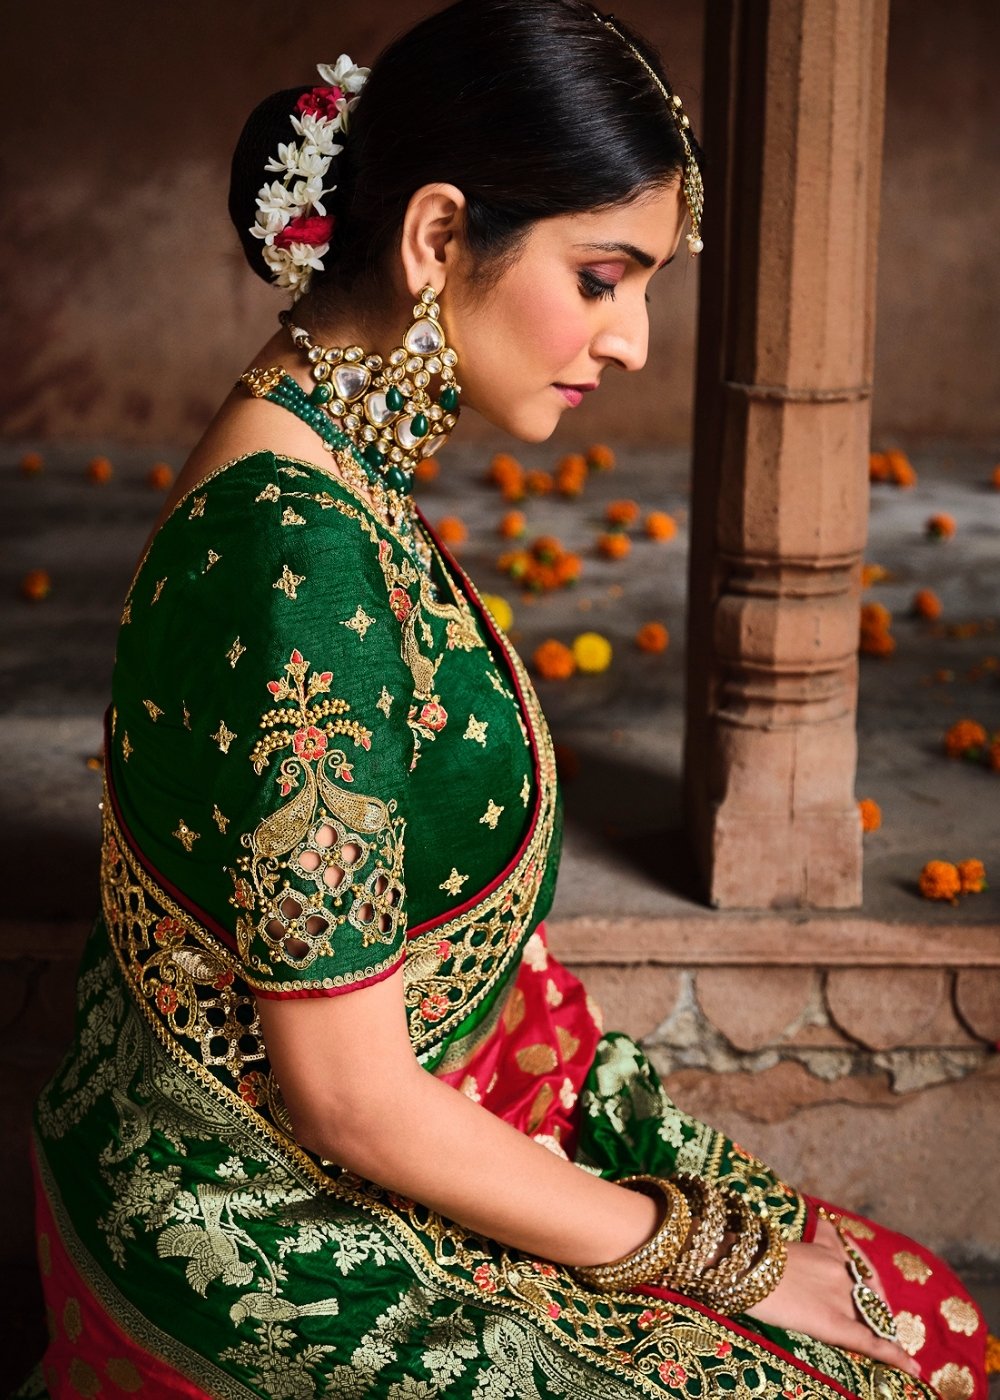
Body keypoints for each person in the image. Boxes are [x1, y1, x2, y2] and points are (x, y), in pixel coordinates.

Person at [20, 2, 988, 1397]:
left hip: (410, 1116)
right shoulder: (296, 564)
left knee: (917, 1317)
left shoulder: (326, 458)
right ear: (434, 238)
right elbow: (349, 1100)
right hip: (272, 1216)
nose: (634, 339)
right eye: (602, 279)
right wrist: (705, 1256)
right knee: (883, 1368)